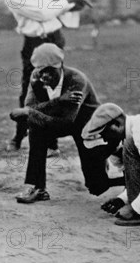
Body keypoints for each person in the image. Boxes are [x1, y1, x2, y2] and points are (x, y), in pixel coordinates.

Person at [0, 0, 88, 152]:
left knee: (57, 87)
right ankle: (19, 136)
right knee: (31, 88)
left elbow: (48, 7)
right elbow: (43, 13)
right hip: (34, 43)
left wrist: (72, 5)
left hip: (55, 38)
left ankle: (51, 142)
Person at [10, 43, 120, 203]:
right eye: (41, 70)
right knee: (35, 127)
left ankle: (115, 155)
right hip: (58, 118)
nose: (44, 75)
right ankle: (36, 186)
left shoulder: (76, 79)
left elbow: (67, 122)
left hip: (85, 124)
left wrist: (33, 112)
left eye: (49, 70)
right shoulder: (36, 78)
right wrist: (58, 101)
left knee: (96, 186)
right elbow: (30, 108)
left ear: (60, 65)